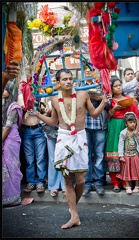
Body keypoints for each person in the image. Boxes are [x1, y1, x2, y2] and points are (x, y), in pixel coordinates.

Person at [28, 68, 109, 229]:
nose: (68, 81)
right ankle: (74, 215)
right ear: (58, 82)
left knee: (81, 180)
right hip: (64, 137)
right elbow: (53, 122)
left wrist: (104, 102)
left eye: (70, 78)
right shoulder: (54, 99)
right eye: (64, 79)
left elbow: (93, 114)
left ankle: (73, 209)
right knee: (67, 180)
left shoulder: (82, 95)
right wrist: (37, 115)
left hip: (80, 137)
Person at [104, 76, 139, 193]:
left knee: (126, 154)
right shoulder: (110, 101)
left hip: (127, 128)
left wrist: (137, 129)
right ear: (111, 89)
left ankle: (126, 182)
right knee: (114, 153)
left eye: (120, 85)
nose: (118, 87)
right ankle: (115, 183)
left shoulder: (129, 100)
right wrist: (114, 108)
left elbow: (137, 116)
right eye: (115, 86)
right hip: (114, 128)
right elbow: (108, 116)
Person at [82, 69, 111, 197]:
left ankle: (98, 182)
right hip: (85, 125)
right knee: (86, 155)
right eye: (86, 71)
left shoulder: (102, 85)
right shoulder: (80, 86)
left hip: (99, 125)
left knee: (99, 154)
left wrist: (100, 98)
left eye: (91, 71)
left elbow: (109, 103)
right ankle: (87, 183)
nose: (88, 72)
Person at [2, 80, 23, 207]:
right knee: (5, 168)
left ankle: (15, 197)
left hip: (11, 140)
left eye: (4, 89)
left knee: (12, 167)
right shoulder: (4, 105)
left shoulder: (14, 106)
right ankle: (7, 197)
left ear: (11, 91)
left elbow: (8, 127)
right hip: (5, 137)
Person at [116, 112, 139, 195]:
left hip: (135, 155)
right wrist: (121, 155)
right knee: (126, 171)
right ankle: (128, 186)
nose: (133, 124)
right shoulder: (123, 133)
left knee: (136, 171)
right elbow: (120, 144)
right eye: (130, 122)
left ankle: (137, 186)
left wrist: (137, 136)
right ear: (126, 123)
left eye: (134, 122)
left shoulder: (137, 132)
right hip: (126, 155)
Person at [21, 99, 47, 193]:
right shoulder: (21, 96)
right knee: (29, 159)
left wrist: (40, 111)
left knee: (40, 158)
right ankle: (31, 181)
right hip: (26, 130)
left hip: (38, 129)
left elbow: (46, 112)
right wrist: (23, 110)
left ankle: (41, 181)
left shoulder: (40, 96)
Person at [42, 99, 65, 197]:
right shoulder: (46, 98)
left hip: (64, 130)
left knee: (64, 158)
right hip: (50, 130)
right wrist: (47, 114)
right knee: (52, 158)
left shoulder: (68, 96)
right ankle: (53, 185)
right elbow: (42, 118)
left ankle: (65, 185)